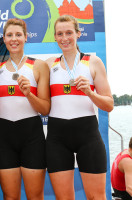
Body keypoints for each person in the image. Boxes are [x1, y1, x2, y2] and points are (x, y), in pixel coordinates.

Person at [45, 15, 114, 199]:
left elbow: (109, 105)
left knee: (96, 197)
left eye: (69, 33)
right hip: (57, 138)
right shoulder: (49, 64)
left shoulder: (92, 62)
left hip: (87, 136)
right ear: (55, 37)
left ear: (78, 33)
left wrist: (90, 93)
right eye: (60, 34)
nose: (64, 38)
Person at [0, 18, 50, 200]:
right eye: (9, 35)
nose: (14, 39)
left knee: (35, 196)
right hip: (4, 137)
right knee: (10, 197)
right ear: (4, 39)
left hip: (31, 136)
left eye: (18, 35)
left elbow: (45, 109)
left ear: (26, 37)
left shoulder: (39, 66)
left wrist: (29, 94)